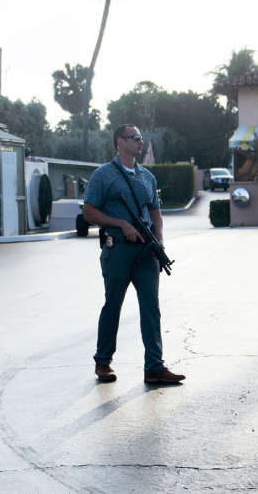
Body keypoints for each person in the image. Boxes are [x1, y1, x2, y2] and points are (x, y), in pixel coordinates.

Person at [82, 124, 186, 384]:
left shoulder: (147, 177)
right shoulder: (104, 175)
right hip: (117, 250)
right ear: (120, 142)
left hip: (146, 252)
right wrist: (121, 224)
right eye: (134, 138)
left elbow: (155, 213)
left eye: (141, 138)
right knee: (113, 306)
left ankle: (154, 366)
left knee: (151, 308)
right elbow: (89, 212)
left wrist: (159, 241)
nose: (140, 142)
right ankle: (103, 363)